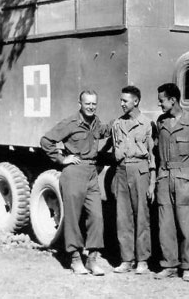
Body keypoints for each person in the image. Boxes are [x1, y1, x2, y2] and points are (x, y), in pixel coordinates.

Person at [40, 90, 110, 276]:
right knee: (73, 218)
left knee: (97, 216)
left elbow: (107, 131)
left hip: (92, 174)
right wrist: (61, 159)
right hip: (74, 172)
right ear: (80, 104)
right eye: (87, 103)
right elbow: (46, 141)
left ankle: (93, 259)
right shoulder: (70, 123)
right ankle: (75, 259)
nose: (91, 107)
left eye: (94, 103)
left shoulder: (96, 123)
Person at [154, 83, 189, 282]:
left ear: (173, 100)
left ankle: (187, 266)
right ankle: (169, 264)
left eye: (161, 100)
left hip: (183, 177)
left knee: (184, 224)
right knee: (165, 225)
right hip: (164, 177)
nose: (159, 103)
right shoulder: (160, 121)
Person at [111, 85, 156, 275]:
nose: (121, 104)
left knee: (142, 216)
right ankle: (126, 259)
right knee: (123, 217)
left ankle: (142, 260)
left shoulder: (147, 124)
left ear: (135, 101)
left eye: (125, 100)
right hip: (122, 170)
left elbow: (153, 155)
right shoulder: (117, 124)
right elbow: (115, 148)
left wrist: (152, 182)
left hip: (141, 170)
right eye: (121, 100)